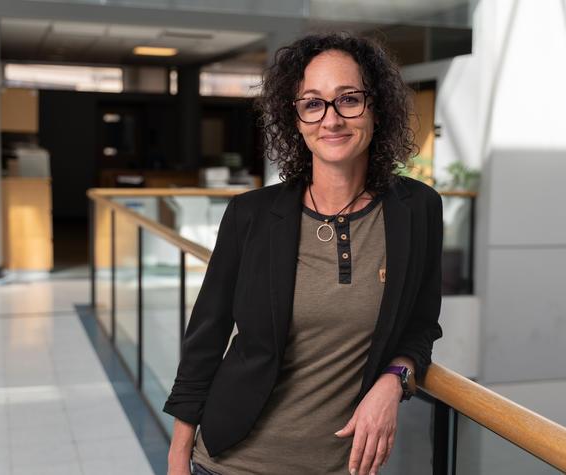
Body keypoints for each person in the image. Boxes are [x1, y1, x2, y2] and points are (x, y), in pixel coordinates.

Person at [164, 32, 443, 475]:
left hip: (341, 467)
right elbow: (206, 338)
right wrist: (179, 455)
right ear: (294, 119)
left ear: (377, 107)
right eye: (313, 103)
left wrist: (395, 379)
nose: (331, 119)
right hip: (228, 463)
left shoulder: (418, 210)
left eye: (348, 99)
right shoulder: (250, 215)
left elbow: (421, 323)